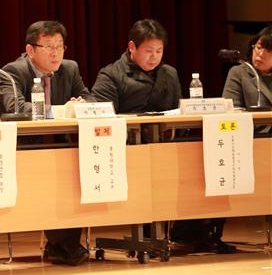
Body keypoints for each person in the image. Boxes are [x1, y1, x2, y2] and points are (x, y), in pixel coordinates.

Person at [91, 18, 235, 254]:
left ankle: (194, 233)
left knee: (203, 160)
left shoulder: (169, 73)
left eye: (159, 51)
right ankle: (148, 236)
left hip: (167, 144)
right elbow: (101, 115)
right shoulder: (111, 74)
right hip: (129, 149)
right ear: (131, 47)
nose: (154, 57)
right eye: (149, 51)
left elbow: (180, 110)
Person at [0, 20, 93, 266]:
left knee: (72, 172)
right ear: (30, 50)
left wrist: (81, 105)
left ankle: (63, 246)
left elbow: (89, 98)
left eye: (60, 46)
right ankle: (64, 246)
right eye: (48, 46)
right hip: (21, 149)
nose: (56, 53)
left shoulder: (69, 69)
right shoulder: (13, 71)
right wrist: (60, 111)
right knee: (51, 173)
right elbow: (16, 107)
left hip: (60, 146)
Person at [222, 25, 272, 110]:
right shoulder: (238, 73)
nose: (260, 54)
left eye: (268, 51)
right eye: (258, 47)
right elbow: (232, 110)